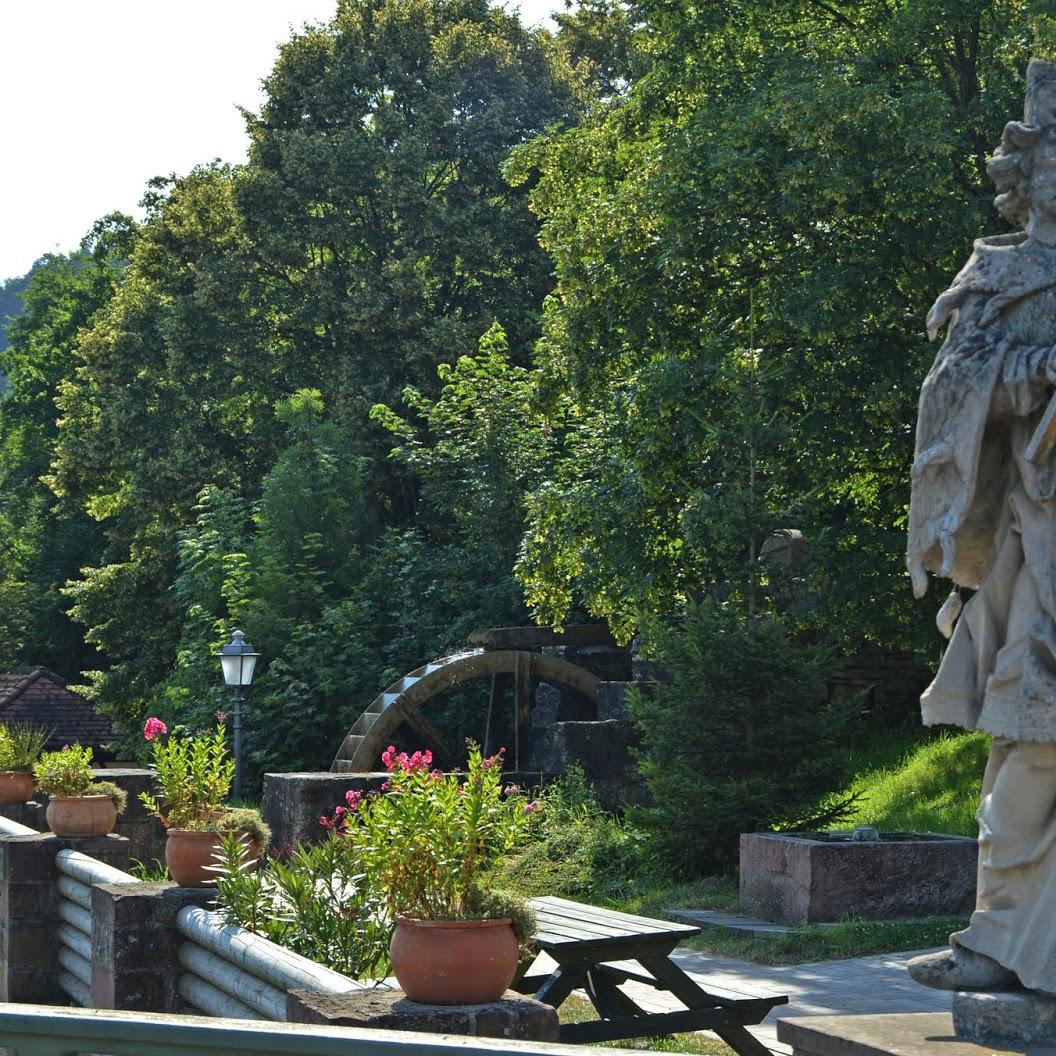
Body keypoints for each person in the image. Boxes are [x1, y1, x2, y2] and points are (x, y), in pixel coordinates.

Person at [908, 58, 1056, 995]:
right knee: (1025, 724)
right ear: (1027, 178)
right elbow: (950, 395)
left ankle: (1008, 943)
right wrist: (1028, 373)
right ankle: (1001, 936)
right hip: (1031, 538)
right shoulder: (999, 276)